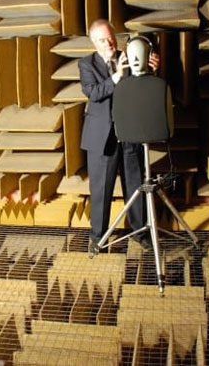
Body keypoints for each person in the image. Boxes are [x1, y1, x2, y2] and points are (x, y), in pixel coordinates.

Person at [78, 19, 160, 257]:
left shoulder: (130, 55)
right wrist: (116, 77)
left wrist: (152, 68)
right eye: (102, 39)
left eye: (111, 37)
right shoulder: (86, 64)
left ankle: (141, 234)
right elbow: (92, 92)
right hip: (101, 139)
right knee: (100, 191)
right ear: (94, 42)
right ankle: (98, 238)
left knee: (135, 188)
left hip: (129, 134)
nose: (109, 42)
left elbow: (145, 87)